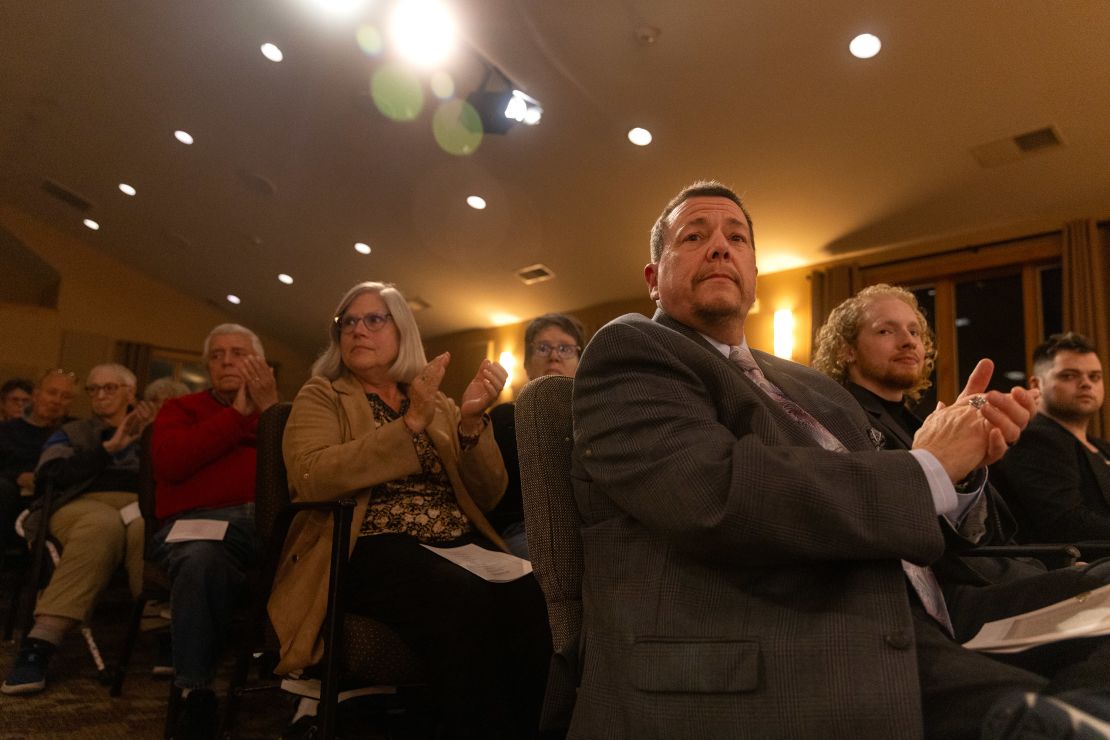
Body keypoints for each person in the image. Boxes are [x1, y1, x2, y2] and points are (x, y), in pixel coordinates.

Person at [568, 180, 1104, 739]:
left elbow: (888, 496)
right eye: (694, 236)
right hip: (801, 636)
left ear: (753, 272)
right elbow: (718, 493)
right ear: (654, 278)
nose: (721, 247)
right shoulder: (631, 350)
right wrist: (928, 469)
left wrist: (961, 467)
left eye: (737, 237)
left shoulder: (805, 383)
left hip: (937, 601)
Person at [270, 281, 551, 740]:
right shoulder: (322, 395)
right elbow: (311, 475)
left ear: (402, 332)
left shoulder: (437, 402)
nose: (358, 329)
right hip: (367, 545)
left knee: (532, 591)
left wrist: (472, 421)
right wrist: (409, 426)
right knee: (461, 598)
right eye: (348, 322)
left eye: (373, 319)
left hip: (455, 544)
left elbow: (489, 494)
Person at [813, 284, 1110, 672]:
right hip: (938, 602)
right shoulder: (834, 418)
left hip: (1000, 575)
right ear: (846, 349)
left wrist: (967, 475)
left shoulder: (926, 421)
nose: (907, 341)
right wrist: (935, 465)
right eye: (886, 331)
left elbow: (991, 534)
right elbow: (879, 517)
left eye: (915, 332)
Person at [150, 324, 278, 739]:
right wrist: (236, 417)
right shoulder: (181, 410)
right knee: (200, 556)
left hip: (266, 523)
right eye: (218, 354)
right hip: (199, 523)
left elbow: (299, 469)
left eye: (238, 353)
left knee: (332, 543)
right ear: (207, 366)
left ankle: (312, 685)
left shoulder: (277, 412)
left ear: (258, 362)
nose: (227, 361)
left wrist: (270, 410)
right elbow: (172, 464)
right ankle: (196, 692)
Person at [2, 364, 156, 695]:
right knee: (102, 525)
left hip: (137, 504)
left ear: (130, 393)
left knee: (145, 526)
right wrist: (107, 450)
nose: (100, 395)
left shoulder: (153, 431)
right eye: (93, 389)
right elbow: (49, 475)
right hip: (78, 503)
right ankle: (40, 642)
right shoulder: (73, 432)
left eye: (110, 388)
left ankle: (161, 631)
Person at [992, 332, 1110, 542]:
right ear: (1037, 384)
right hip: (1072, 567)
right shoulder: (1034, 438)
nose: (1086, 384)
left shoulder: (1102, 447)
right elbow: (1066, 523)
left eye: (1094, 377)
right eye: (1069, 376)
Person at [489, 312, 586, 557]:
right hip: (526, 530)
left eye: (565, 348)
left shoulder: (595, 417)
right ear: (526, 364)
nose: (554, 356)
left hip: (590, 527)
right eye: (543, 348)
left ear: (580, 362)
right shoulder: (504, 416)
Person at [0, 370, 77, 556]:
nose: (57, 401)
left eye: (65, 396)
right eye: (52, 393)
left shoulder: (74, 435)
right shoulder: (6, 431)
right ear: (35, 395)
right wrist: (17, 476)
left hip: (53, 498)